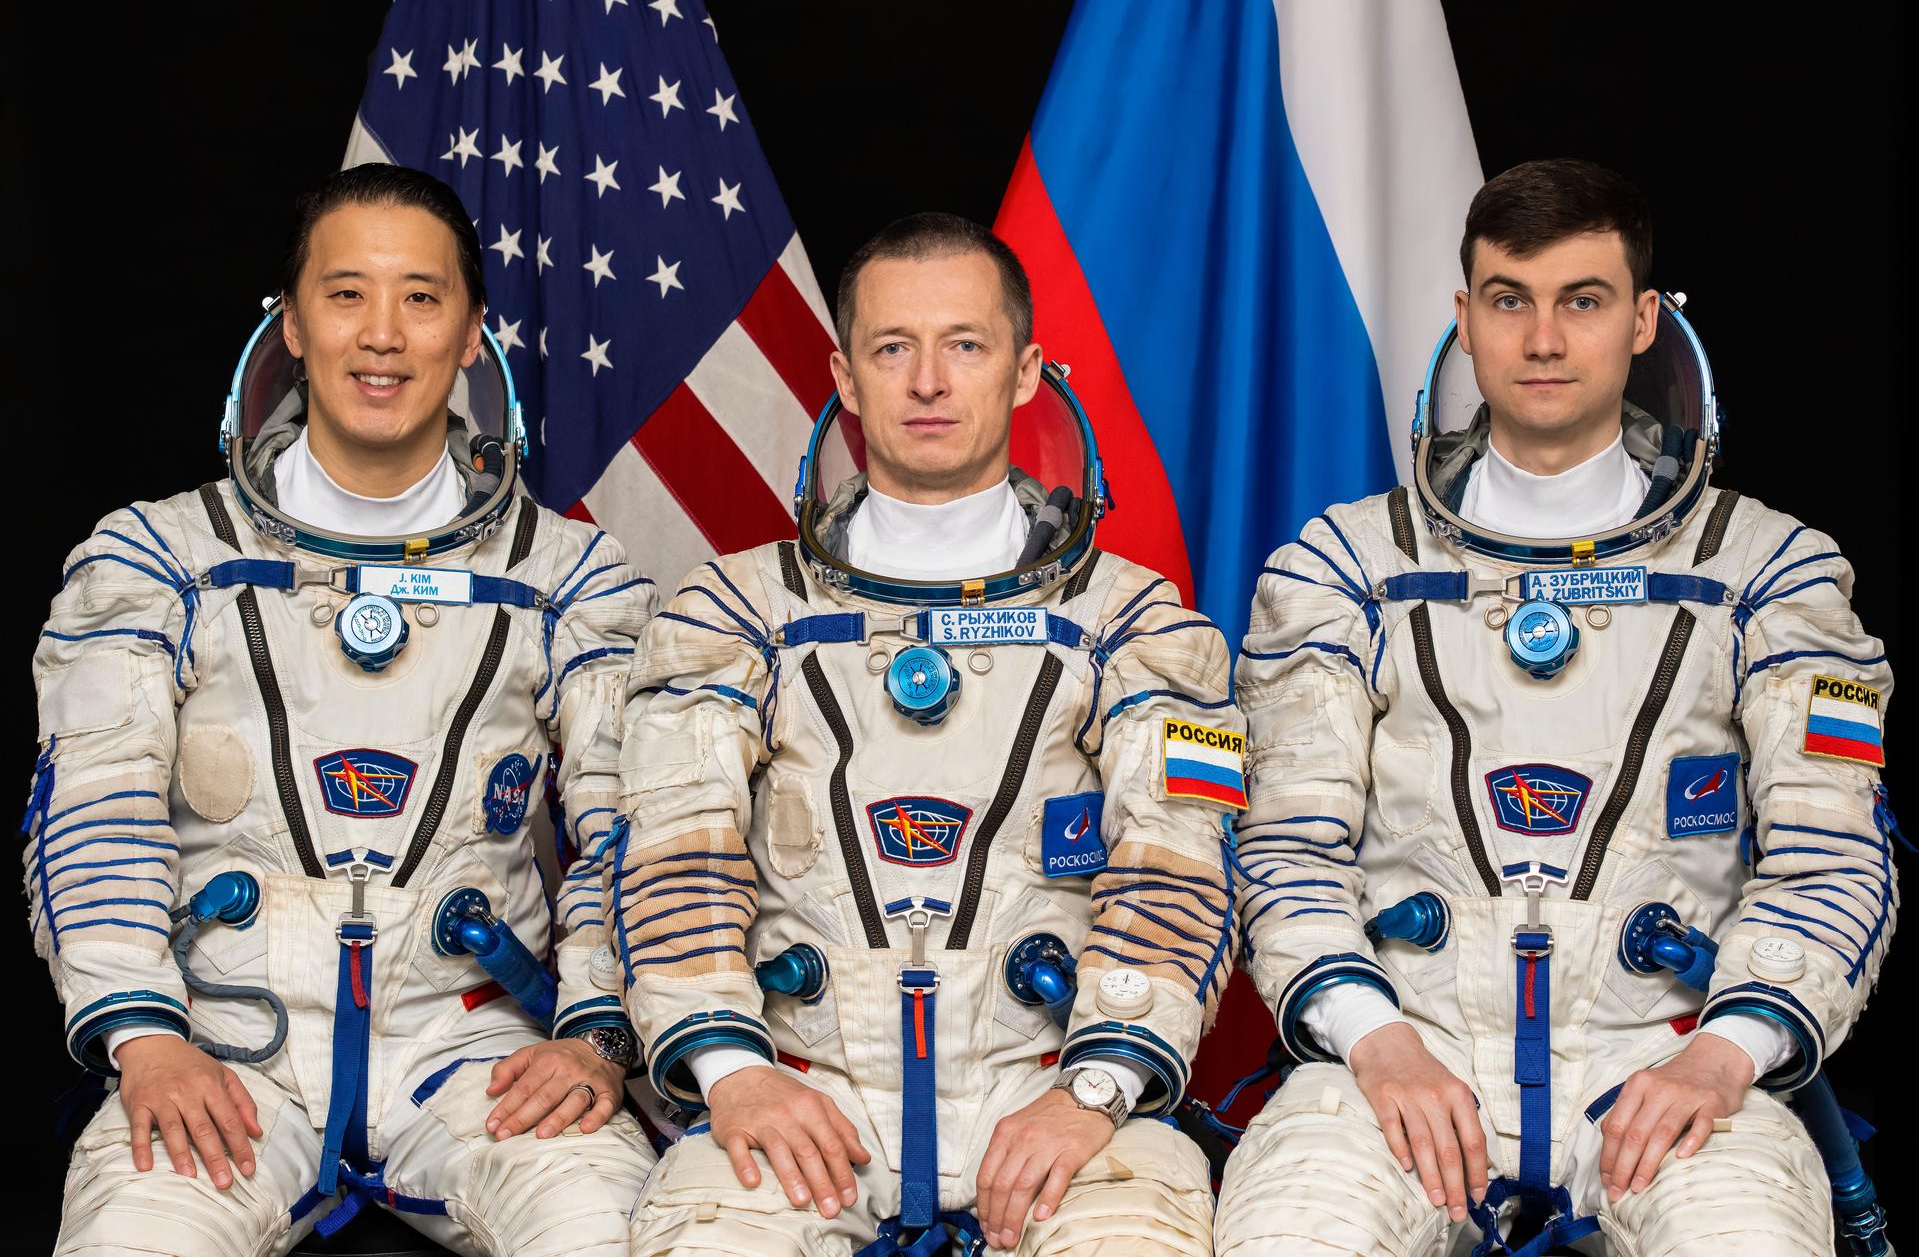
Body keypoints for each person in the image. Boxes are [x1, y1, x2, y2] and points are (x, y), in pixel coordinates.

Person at [1213, 158, 1895, 1255]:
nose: (1540, 340)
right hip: (1405, 1060)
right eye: (1507, 300)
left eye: (1580, 301)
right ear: (1462, 317)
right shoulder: (1342, 568)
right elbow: (1282, 845)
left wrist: (1723, 1053)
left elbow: (1831, 860)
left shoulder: (1769, 572)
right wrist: (1372, 1035)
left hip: (1665, 1059)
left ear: (1640, 320)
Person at [25, 164, 657, 1256]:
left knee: (611, 1230)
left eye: (421, 297)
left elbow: (633, 829)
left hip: (478, 1054)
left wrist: (594, 1033)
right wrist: (144, 1034)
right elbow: (94, 810)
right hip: (223, 1051)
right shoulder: (161, 558)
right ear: (292, 323)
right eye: (346, 293)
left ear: (470, 334)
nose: (382, 335)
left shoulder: (569, 577)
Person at [616, 213, 1234, 1255]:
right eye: (891, 348)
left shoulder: (1144, 619)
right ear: (844, 378)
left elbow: (1181, 858)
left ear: (1026, 370)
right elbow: (675, 846)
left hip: (1051, 1097)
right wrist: (733, 1069)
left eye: (965, 344)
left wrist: (1096, 1084)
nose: (928, 382)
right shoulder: (727, 610)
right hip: (803, 1096)